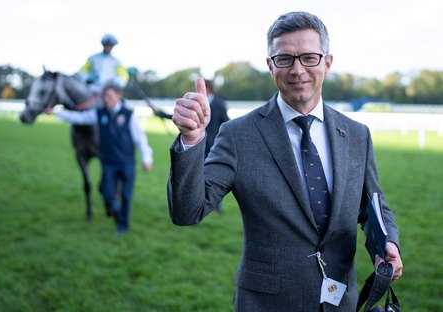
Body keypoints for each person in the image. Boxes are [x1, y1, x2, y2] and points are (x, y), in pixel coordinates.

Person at [167, 11, 402, 311]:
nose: (297, 69)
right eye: (285, 59)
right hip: (268, 303)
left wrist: (387, 245)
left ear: (327, 63)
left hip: (341, 301)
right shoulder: (238, 135)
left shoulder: (357, 135)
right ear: (270, 65)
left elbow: (372, 207)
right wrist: (191, 140)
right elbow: (187, 211)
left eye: (309, 58)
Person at [53, 84, 153, 234]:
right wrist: (57, 113)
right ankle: (115, 208)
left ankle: (122, 226)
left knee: (126, 195)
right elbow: (80, 117)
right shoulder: (99, 113)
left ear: (118, 96)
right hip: (108, 162)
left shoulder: (128, 114)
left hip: (127, 163)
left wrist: (147, 158)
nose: (106, 100)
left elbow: (140, 138)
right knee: (105, 191)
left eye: (109, 96)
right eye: (104, 96)